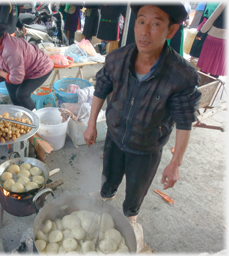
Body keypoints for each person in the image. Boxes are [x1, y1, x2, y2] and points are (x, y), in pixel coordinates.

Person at [83, 3, 202, 222]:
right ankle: (106, 196)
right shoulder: (117, 59)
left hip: (147, 147)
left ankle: (130, 216)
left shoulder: (181, 75)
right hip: (115, 136)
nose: (145, 31)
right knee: (108, 177)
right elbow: (101, 88)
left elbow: (185, 120)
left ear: (171, 30)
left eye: (155, 23)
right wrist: (91, 124)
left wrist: (176, 162)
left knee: (136, 192)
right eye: (141, 21)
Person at [0, 21, 53, 111]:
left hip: (42, 68)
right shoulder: (2, 41)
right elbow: (4, 61)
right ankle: (19, 111)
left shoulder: (11, 50)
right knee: (9, 84)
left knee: (22, 94)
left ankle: (34, 117)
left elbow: (17, 79)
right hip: (29, 67)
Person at [196, 2, 226, 78]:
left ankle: (200, 85)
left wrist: (201, 32)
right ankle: (211, 88)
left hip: (213, 37)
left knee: (205, 65)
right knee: (217, 68)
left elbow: (212, 18)